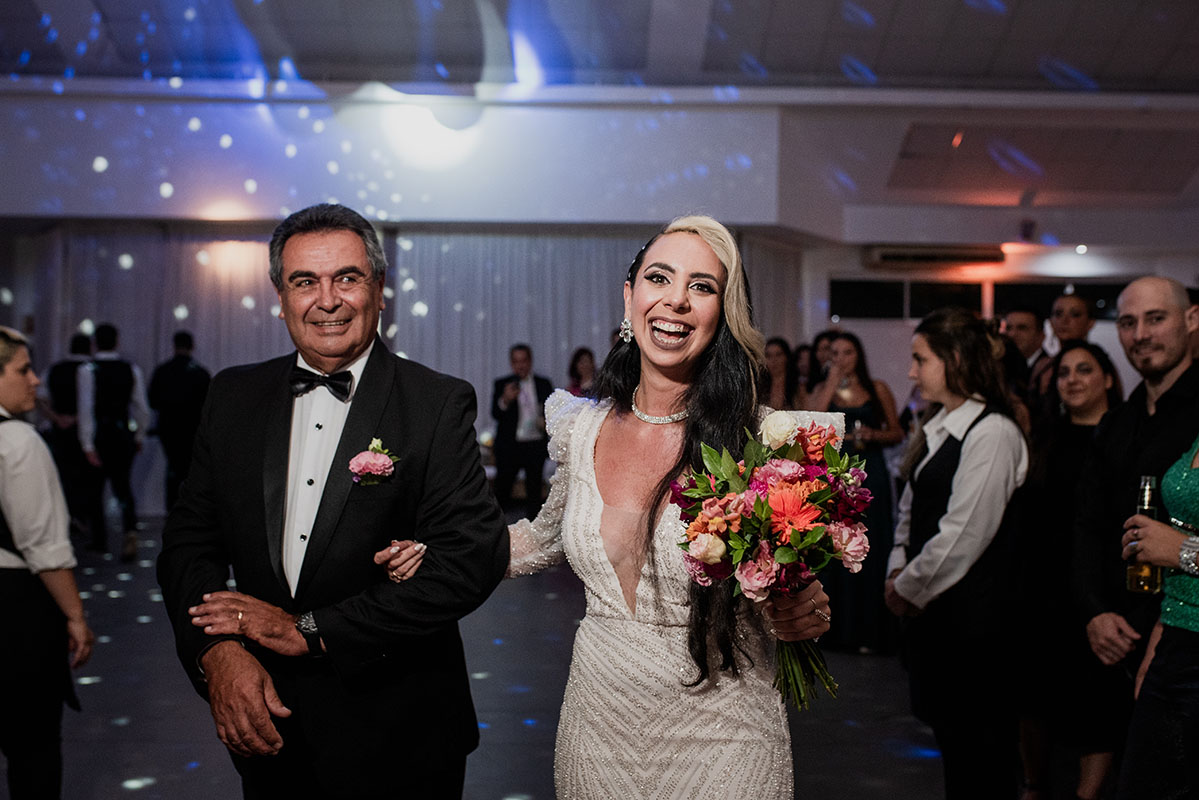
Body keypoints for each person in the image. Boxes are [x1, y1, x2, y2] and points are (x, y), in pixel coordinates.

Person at [383, 215, 834, 797]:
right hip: (599, 721)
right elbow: (541, 540)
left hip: (727, 727)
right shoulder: (581, 427)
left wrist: (805, 606)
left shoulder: (764, 442)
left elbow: (796, 587)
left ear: (723, 314)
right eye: (659, 278)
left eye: (702, 286)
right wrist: (442, 550)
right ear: (630, 295)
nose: (675, 300)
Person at [156, 203, 509, 799]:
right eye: (304, 282)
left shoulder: (436, 403)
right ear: (280, 293)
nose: (327, 300)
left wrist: (313, 630)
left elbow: (469, 560)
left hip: (401, 731)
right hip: (269, 724)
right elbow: (191, 543)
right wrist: (216, 654)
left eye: (346, 278)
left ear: (378, 287)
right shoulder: (233, 395)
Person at [885, 307, 1028, 800]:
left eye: (920, 359)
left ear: (957, 360)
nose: (911, 372)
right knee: (959, 756)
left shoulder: (993, 433)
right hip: (942, 621)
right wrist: (898, 567)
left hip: (980, 628)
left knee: (983, 761)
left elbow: (963, 534)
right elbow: (910, 508)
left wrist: (905, 589)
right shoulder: (940, 423)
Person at [1072, 276, 1199, 790]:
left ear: (1191, 320)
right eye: (1127, 322)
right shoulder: (1116, 422)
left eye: (1155, 318)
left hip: (1177, 630)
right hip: (1108, 628)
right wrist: (1094, 612)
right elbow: (1085, 525)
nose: (1140, 334)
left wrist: (1154, 629)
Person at [1018, 341, 1123, 800]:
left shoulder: (1124, 437)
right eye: (1064, 372)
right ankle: (1035, 785)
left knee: (1094, 698)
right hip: (1042, 586)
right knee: (1035, 695)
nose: (1073, 379)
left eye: (1085, 370)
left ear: (1109, 379)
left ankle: (1088, 794)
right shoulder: (1046, 435)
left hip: (1100, 587)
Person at [0, 326, 95, 799]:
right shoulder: (18, 442)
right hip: (15, 608)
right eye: (22, 370)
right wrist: (76, 618)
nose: (35, 381)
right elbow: (45, 548)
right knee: (32, 744)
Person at [805, 331, 901, 653]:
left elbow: (897, 432)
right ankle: (837, 629)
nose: (842, 358)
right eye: (835, 352)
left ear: (858, 355)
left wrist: (873, 434)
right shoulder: (821, 389)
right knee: (837, 548)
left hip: (870, 471)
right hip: (836, 473)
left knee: (871, 548)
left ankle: (872, 630)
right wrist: (831, 381)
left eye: (848, 352)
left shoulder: (877, 389)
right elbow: (812, 426)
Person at [78, 322, 149, 561]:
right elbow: (141, 408)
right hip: (122, 435)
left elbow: (86, 409)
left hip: (101, 435)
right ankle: (130, 531)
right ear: (117, 341)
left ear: (95, 342)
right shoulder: (131, 369)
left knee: (95, 490)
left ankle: (100, 540)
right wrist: (138, 435)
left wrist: (87, 444)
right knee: (123, 487)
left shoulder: (88, 370)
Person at [148, 330, 211, 510]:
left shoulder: (163, 371)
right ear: (192, 346)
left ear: (174, 345)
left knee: (173, 469)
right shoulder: (199, 372)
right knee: (190, 471)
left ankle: (172, 510)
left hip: (168, 428)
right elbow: (208, 404)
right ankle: (190, 510)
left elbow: (152, 400)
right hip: (192, 428)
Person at [37, 333, 93, 534]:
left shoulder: (55, 369)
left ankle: (68, 517)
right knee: (87, 478)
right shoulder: (92, 370)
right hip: (85, 431)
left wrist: (57, 418)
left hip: (59, 429)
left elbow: (40, 398)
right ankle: (83, 519)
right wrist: (78, 418)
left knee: (63, 476)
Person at [491, 344, 553, 516]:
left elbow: (552, 411)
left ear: (530, 361)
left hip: (535, 445)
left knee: (534, 493)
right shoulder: (502, 384)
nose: (521, 365)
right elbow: (495, 414)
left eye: (524, 360)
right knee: (502, 490)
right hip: (510, 447)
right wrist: (505, 399)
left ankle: (533, 536)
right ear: (511, 363)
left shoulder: (543, 384)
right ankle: (498, 532)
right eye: (516, 361)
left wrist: (545, 421)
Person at [1003, 306, 1052, 406]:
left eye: (1022, 328)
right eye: (1008, 328)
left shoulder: (1050, 369)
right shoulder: (1001, 366)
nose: (1012, 334)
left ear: (1041, 335)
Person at [760, 336, 799, 410]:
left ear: (786, 357)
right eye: (768, 356)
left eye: (778, 355)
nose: (774, 360)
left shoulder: (798, 387)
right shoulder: (760, 387)